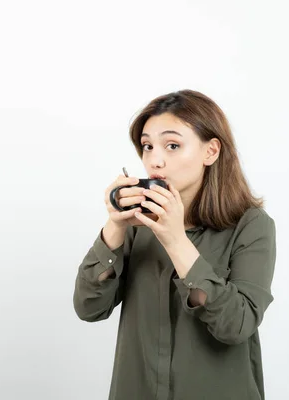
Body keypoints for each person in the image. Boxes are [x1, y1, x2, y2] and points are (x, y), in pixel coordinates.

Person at [72, 89, 277, 400]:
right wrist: (114, 226)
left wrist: (175, 240)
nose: (155, 160)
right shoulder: (136, 224)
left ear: (211, 151)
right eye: (147, 146)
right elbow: (89, 308)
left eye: (172, 145)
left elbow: (236, 324)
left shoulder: (251, 226)